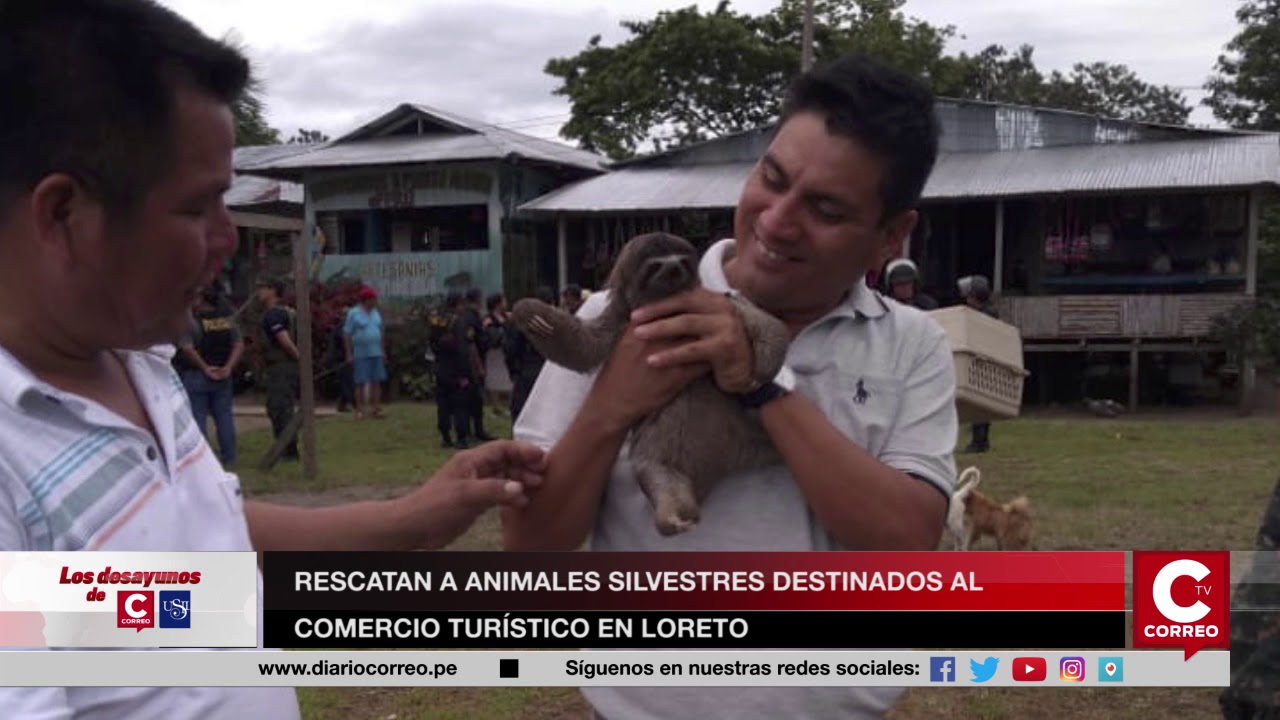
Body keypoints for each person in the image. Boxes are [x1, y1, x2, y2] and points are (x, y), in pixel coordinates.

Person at [0, 5, 548, 718]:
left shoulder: (140, 365)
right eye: (200, 209)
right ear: (64, 214)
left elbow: (198, 559)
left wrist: (410, 520)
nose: (228, 239)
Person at [504, 53, 956, 719]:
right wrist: (613, 403)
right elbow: (532, 548)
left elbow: (907, 543)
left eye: (824, 209)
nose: (776, 221)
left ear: (891, 234)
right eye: (771, 179)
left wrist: (762, 383)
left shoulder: (912, 342)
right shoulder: (624, 309)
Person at [174, 284, 244, 467]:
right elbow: (238, 344)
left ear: (200, 299)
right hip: (223, 375)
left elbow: (187, 347)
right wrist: (228, 367)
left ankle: (202, 461)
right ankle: (230, 458)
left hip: (198, 375)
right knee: (224, 418)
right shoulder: (227, 318)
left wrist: (204, 367)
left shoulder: (192, 320)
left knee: (198, 418)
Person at [256, 276, 300, 460]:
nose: (259, 292)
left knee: (279, 408)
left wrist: (300, 359)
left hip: (280, 367)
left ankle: (288, 450)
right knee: (282, 407)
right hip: (284, 366)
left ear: (272, 290)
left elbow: (285, 341)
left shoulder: (273, 314)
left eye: (262, 288)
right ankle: (288, 448)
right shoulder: (287, 311)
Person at [957, 274, 996, 453]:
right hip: (979, 359)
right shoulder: (984, 312)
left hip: (984, 360)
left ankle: (980, 441)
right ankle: (979, 439)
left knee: (981, 402)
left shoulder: (987, 314)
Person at [504, 286, 555, 420]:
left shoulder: (522, 320)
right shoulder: (557, 321)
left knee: (522, 407)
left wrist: (513, 369)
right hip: (549, 367)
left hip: (528, 366)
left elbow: (511, 348)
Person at [428, 294, 471, 448]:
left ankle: (445, 436)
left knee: (443, 404)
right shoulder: (458, 322)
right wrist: (464, 373)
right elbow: (463, 349)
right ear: (457, 304)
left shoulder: (437, 320)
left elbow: (431, 343)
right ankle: (461, 437)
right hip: (455, 368)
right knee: (459, 404)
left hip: (440, 367)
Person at [343, 284, 387, 420]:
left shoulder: (376, 313)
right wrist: (349, 353)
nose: (374, 302)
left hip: (376, 352)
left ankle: (376, 408)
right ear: (366, 299)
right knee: (360, 382)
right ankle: (360, 410)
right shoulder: (353, 313)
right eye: (372, 299)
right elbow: (347, 334)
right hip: (360, 353)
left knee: (377, 381)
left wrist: (383, 350)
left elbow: (381, 331)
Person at [458, 288, 495, 442]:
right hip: (472, 363)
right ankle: (474, 430)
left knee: (474, 399)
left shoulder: (467, 316)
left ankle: (475, 429)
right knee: (473, 398)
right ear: (478, 300)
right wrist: (479, 367)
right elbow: (471, 343)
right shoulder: (470, 318)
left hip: (470, 361)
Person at [482, 292, 513, 418]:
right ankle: (496, 407)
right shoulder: (488, 318)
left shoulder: (506, 316)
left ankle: (508, 405)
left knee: (507, 378)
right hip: (493, 352)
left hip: (505, 351)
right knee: (494, 378)